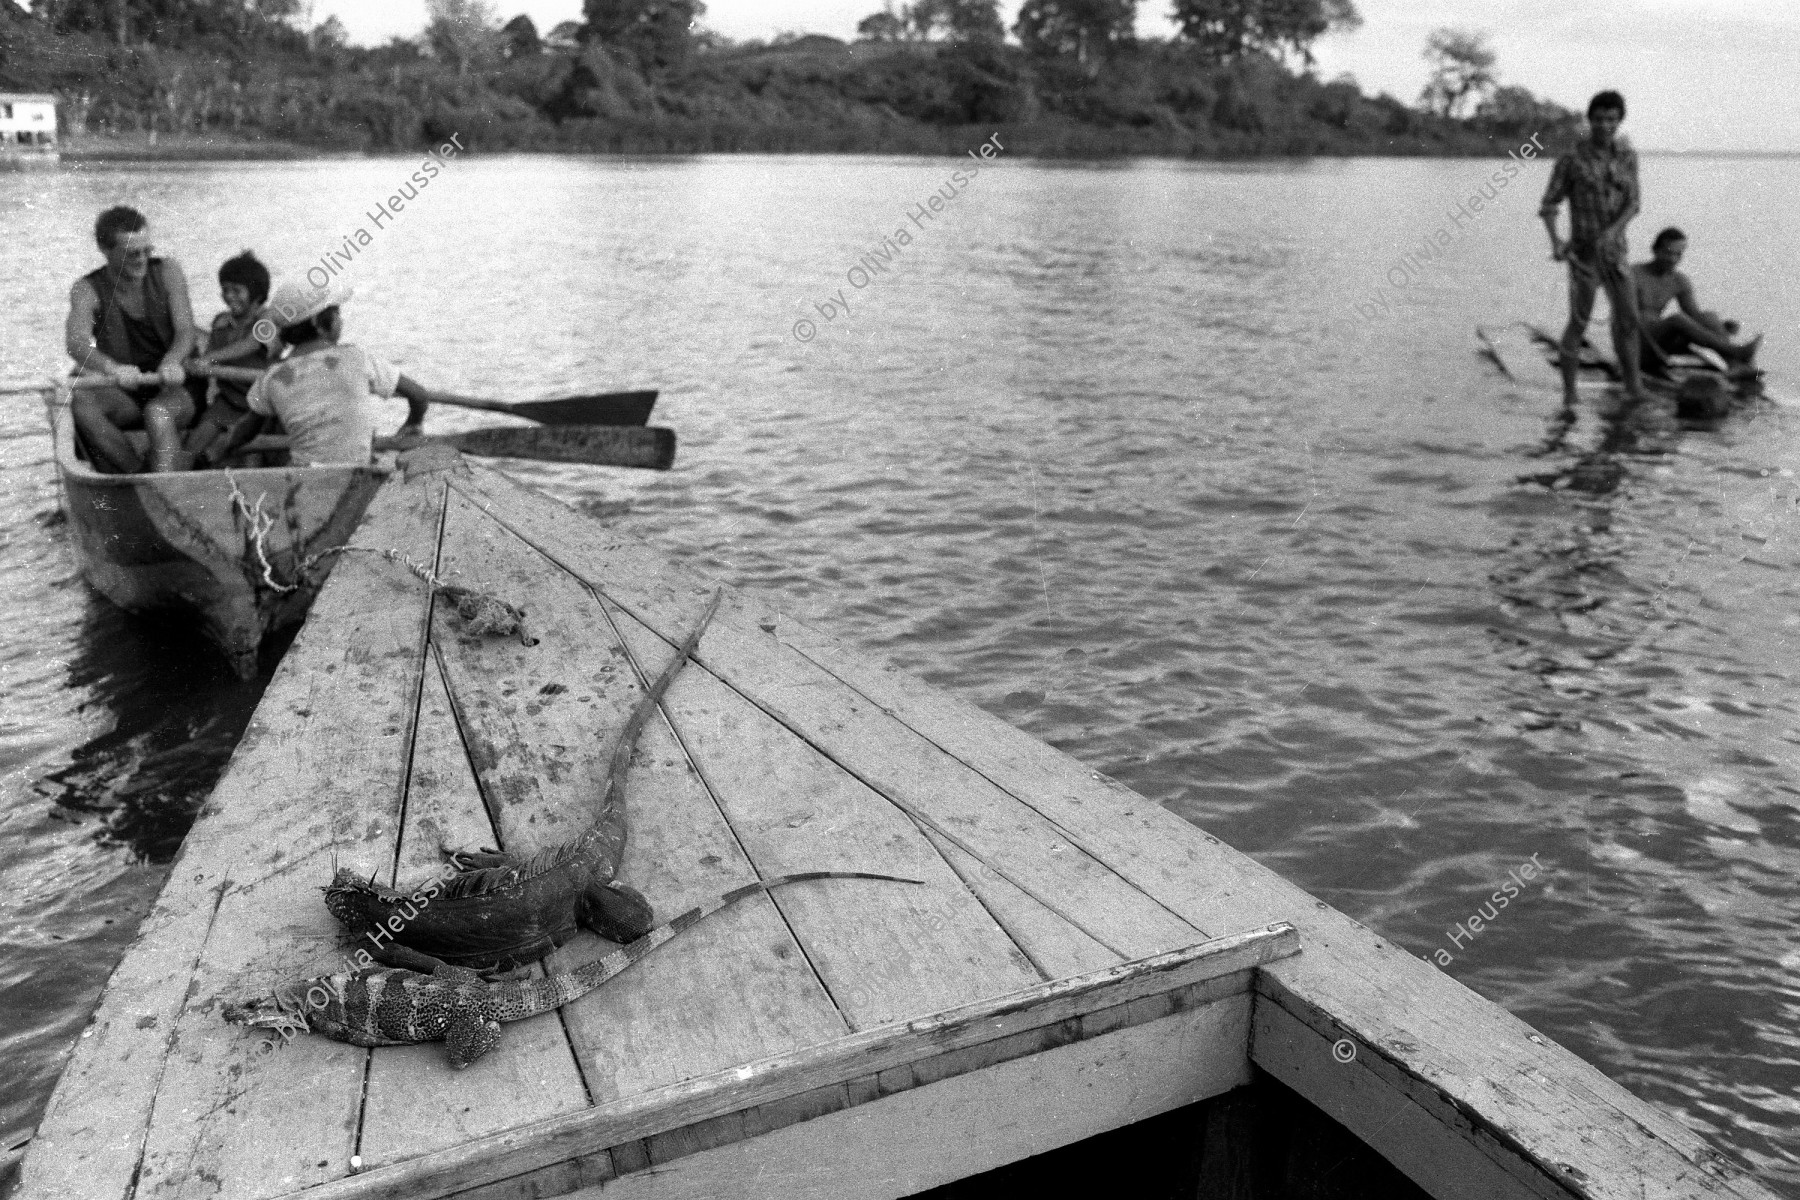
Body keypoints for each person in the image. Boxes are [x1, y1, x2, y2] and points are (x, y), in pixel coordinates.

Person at [247, 278, 438, 466]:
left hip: (305, 473)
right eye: (337, 314)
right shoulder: (356, 357)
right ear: (317, 322)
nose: (341, 320)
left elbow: (247, 426)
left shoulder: (272, 376)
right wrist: (414, 422)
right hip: (357, 467)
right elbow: (419, 396)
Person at [64, 206, 198, 473]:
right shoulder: (86, 288)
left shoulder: (168, 271)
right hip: (127, 389)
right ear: (105, 249)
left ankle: (162, 484)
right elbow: (76, 343)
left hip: (175, 387)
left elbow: (186, 331)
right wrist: (112, 369)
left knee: (158, 414)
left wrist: (172, 361)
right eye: (131, 254)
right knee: (81, 401)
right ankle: (137, 476)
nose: (142, 260)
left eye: (147, 251)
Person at [1539, 91, 1648, 413]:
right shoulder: (1571, 160)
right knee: (1578, 323)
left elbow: (1634, 203)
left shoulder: (1627, 156)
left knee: (1628, 321)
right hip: (1583, 257)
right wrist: (1556, 242)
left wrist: (1613, 232)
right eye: (1599, 119)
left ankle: (1634, 387)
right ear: (1590, 120)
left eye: (1611, 119)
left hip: (1616, 255)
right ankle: (1570, 395)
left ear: (1619, 121)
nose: (1605, 125)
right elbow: (1549, 205)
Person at [184, 250, 283, 468]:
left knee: (248, 453)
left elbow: (253, 343)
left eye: (237, 291)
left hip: (261, 405)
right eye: (225, 290)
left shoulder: (268, 319)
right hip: (229, 401)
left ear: (256, 294)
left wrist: (210, 358)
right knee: (194, 442)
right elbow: (207, 359)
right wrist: (197, 363)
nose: (229, 296)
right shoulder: (220, 322)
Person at [1632, 227, 1761, 374]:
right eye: (1668, 253)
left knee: (1709, 316)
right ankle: (1736, 352)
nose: (1673, 259)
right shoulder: (1633, 274)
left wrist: (1721, 326)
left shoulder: (1678, 280)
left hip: (1663, 341)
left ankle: (1735, 364)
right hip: (1639, 340)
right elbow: (1624, 317)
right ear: (1655, 250)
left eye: (1678, 254)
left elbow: (1695, 316)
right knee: (1677, 319)